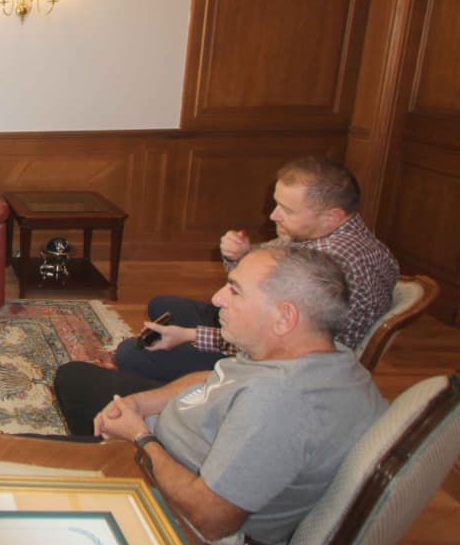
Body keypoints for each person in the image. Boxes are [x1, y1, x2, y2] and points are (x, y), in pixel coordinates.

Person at [59, 246, 386, 545]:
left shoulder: (280, 402)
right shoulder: (317, 353)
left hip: (166, 495)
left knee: (27, 463)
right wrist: (141, 404)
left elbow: (211, 520)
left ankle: (101, 488)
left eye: (235, 291)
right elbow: (215, 377)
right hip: (169, 436)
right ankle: (99, 453)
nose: (217, 299)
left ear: (285, 317)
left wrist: (138, 438)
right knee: (74, 379)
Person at [113, 156, 399, 382]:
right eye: (277, 204)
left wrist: (189, 336)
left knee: (130, 353)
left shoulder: (322, 265)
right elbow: (262, 277)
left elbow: (267, 342)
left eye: (287, 210)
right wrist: (240, 255)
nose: (274, 215)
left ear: (331, 216)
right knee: (163, 305)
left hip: (280, 367)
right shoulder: (345, 239)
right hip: (277, 333)